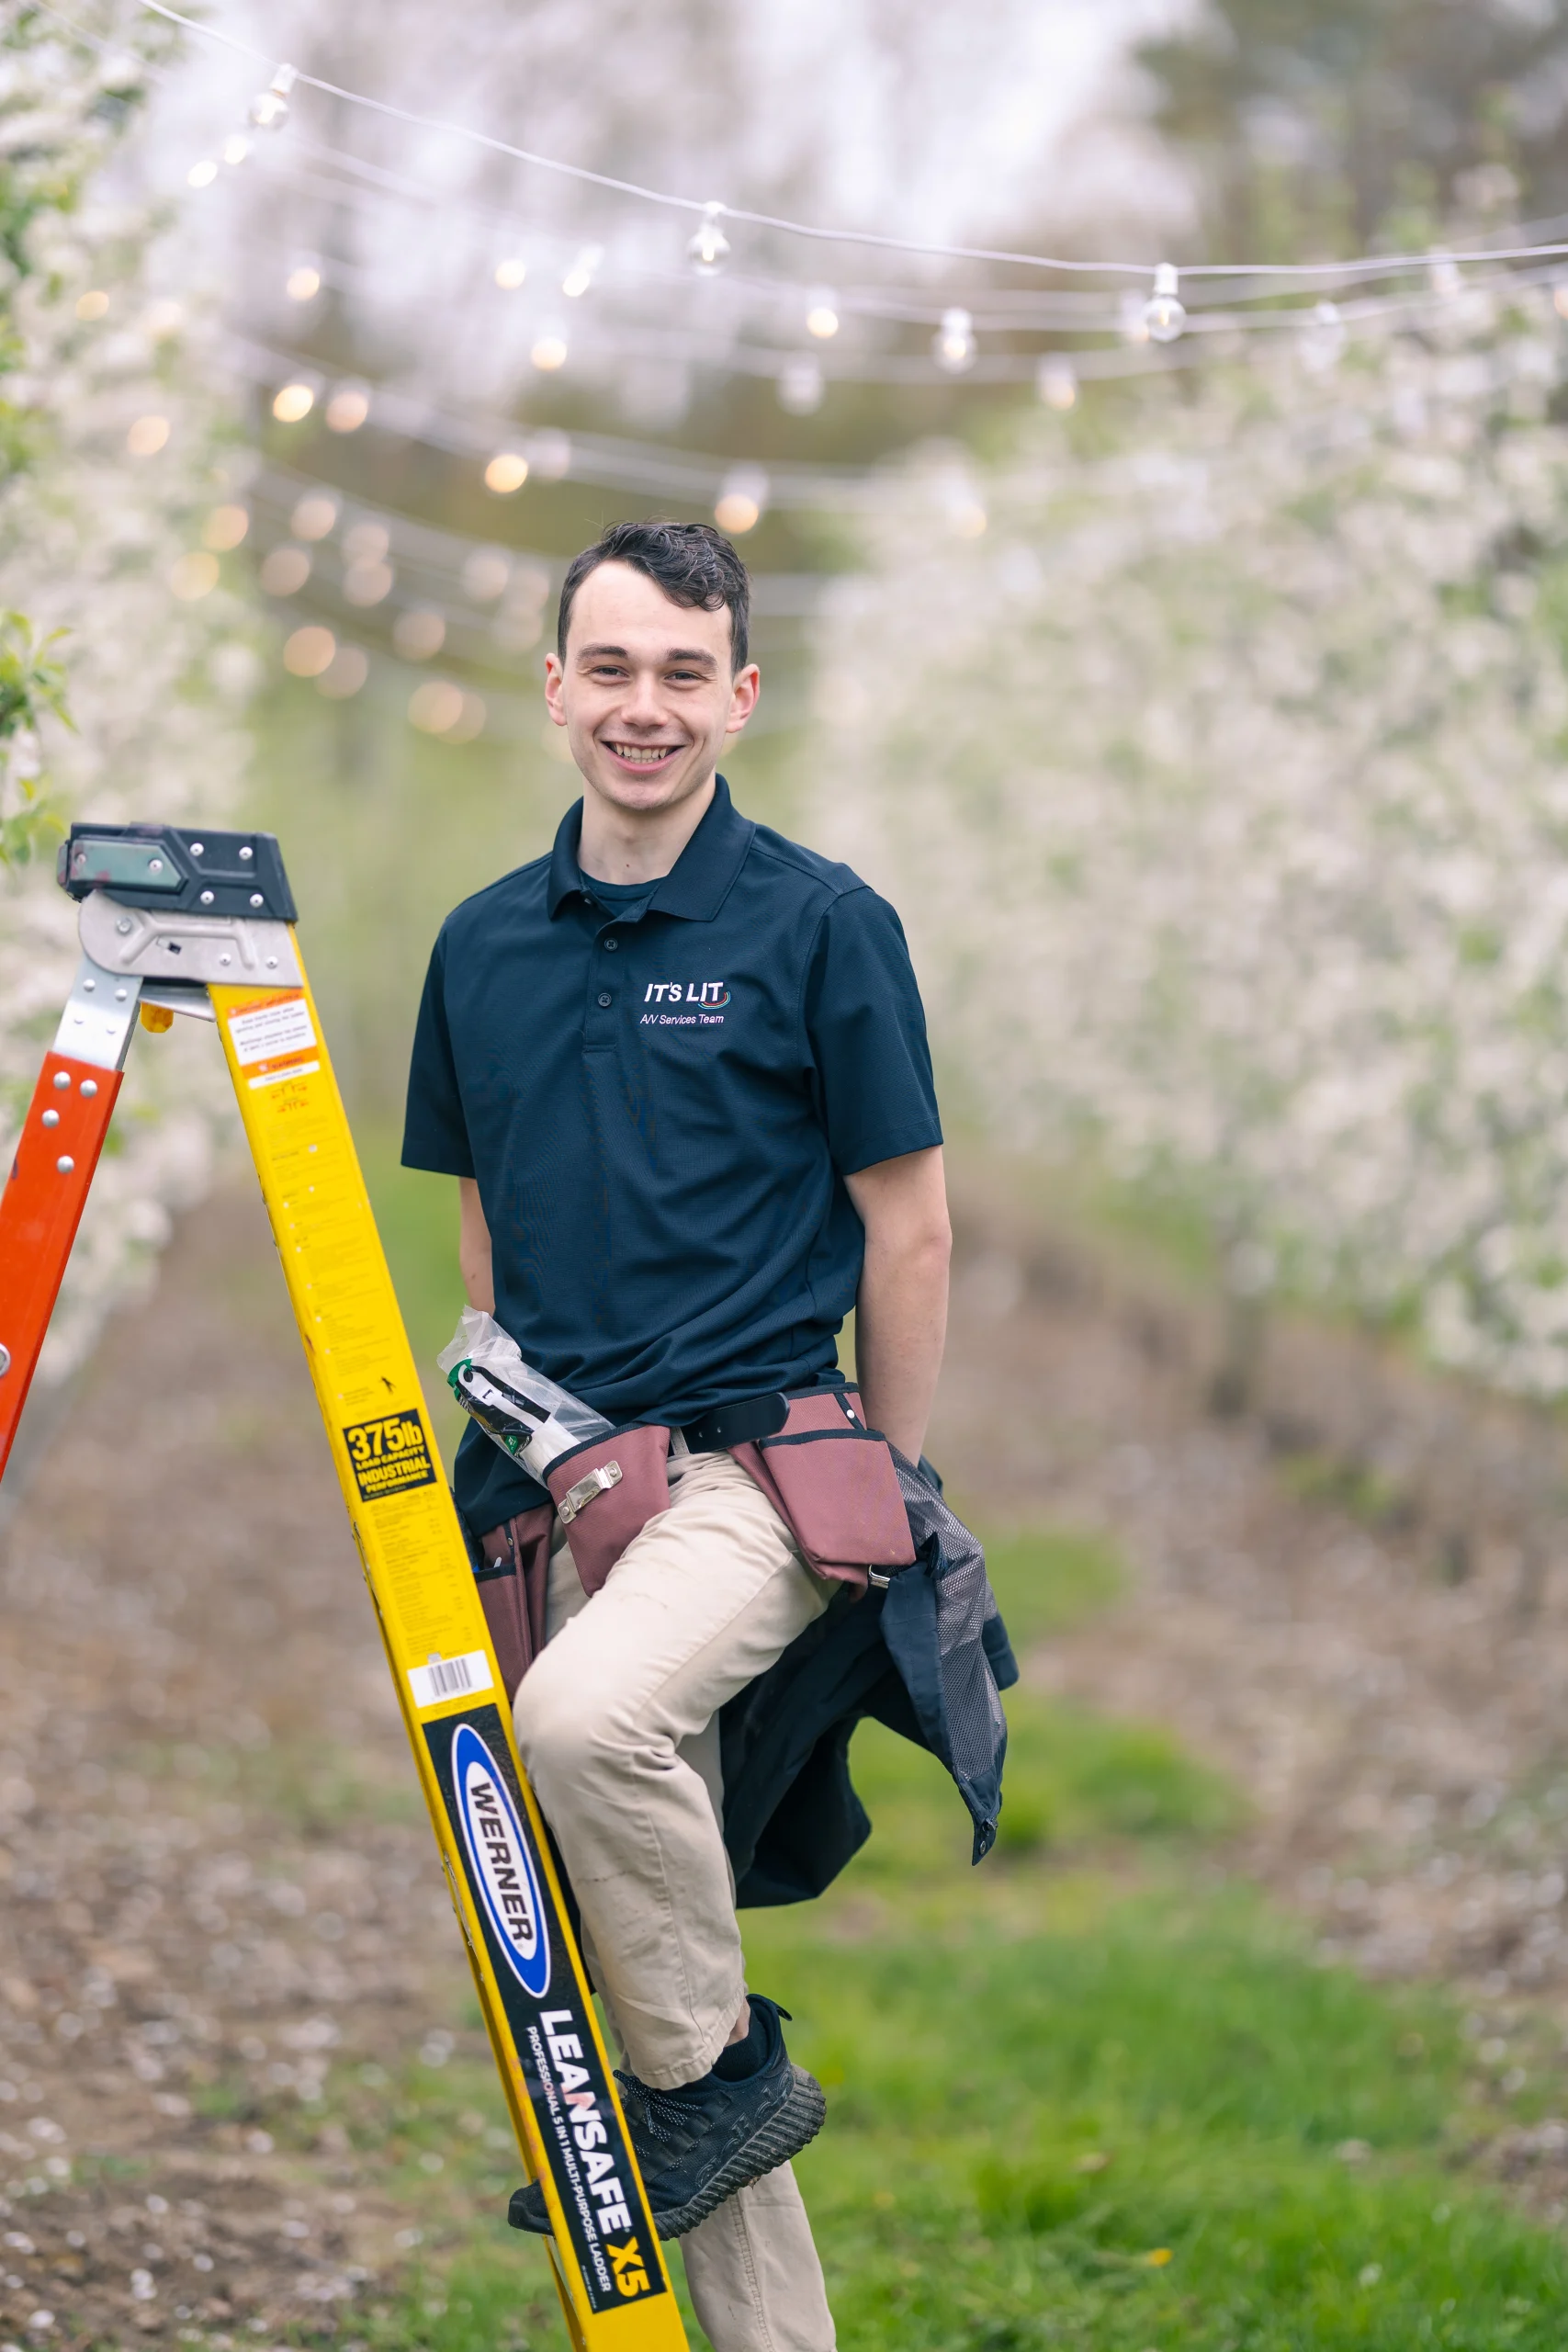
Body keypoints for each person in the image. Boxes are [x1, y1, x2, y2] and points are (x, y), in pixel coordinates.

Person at [401, 519, 950, 2352]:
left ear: (741, 691)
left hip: (756, 1468)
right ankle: (753, 2261)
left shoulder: (820, 922)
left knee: (582, 1723)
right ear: (554, 683)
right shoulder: (476, 944)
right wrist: (522, 1456)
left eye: (682, 671)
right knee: (625, 1965)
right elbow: (483, 1227)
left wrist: (892, 1480)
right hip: (559, 1480)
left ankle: (716, 2073)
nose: (646, 707)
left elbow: (910, 1214)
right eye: (611, 667)